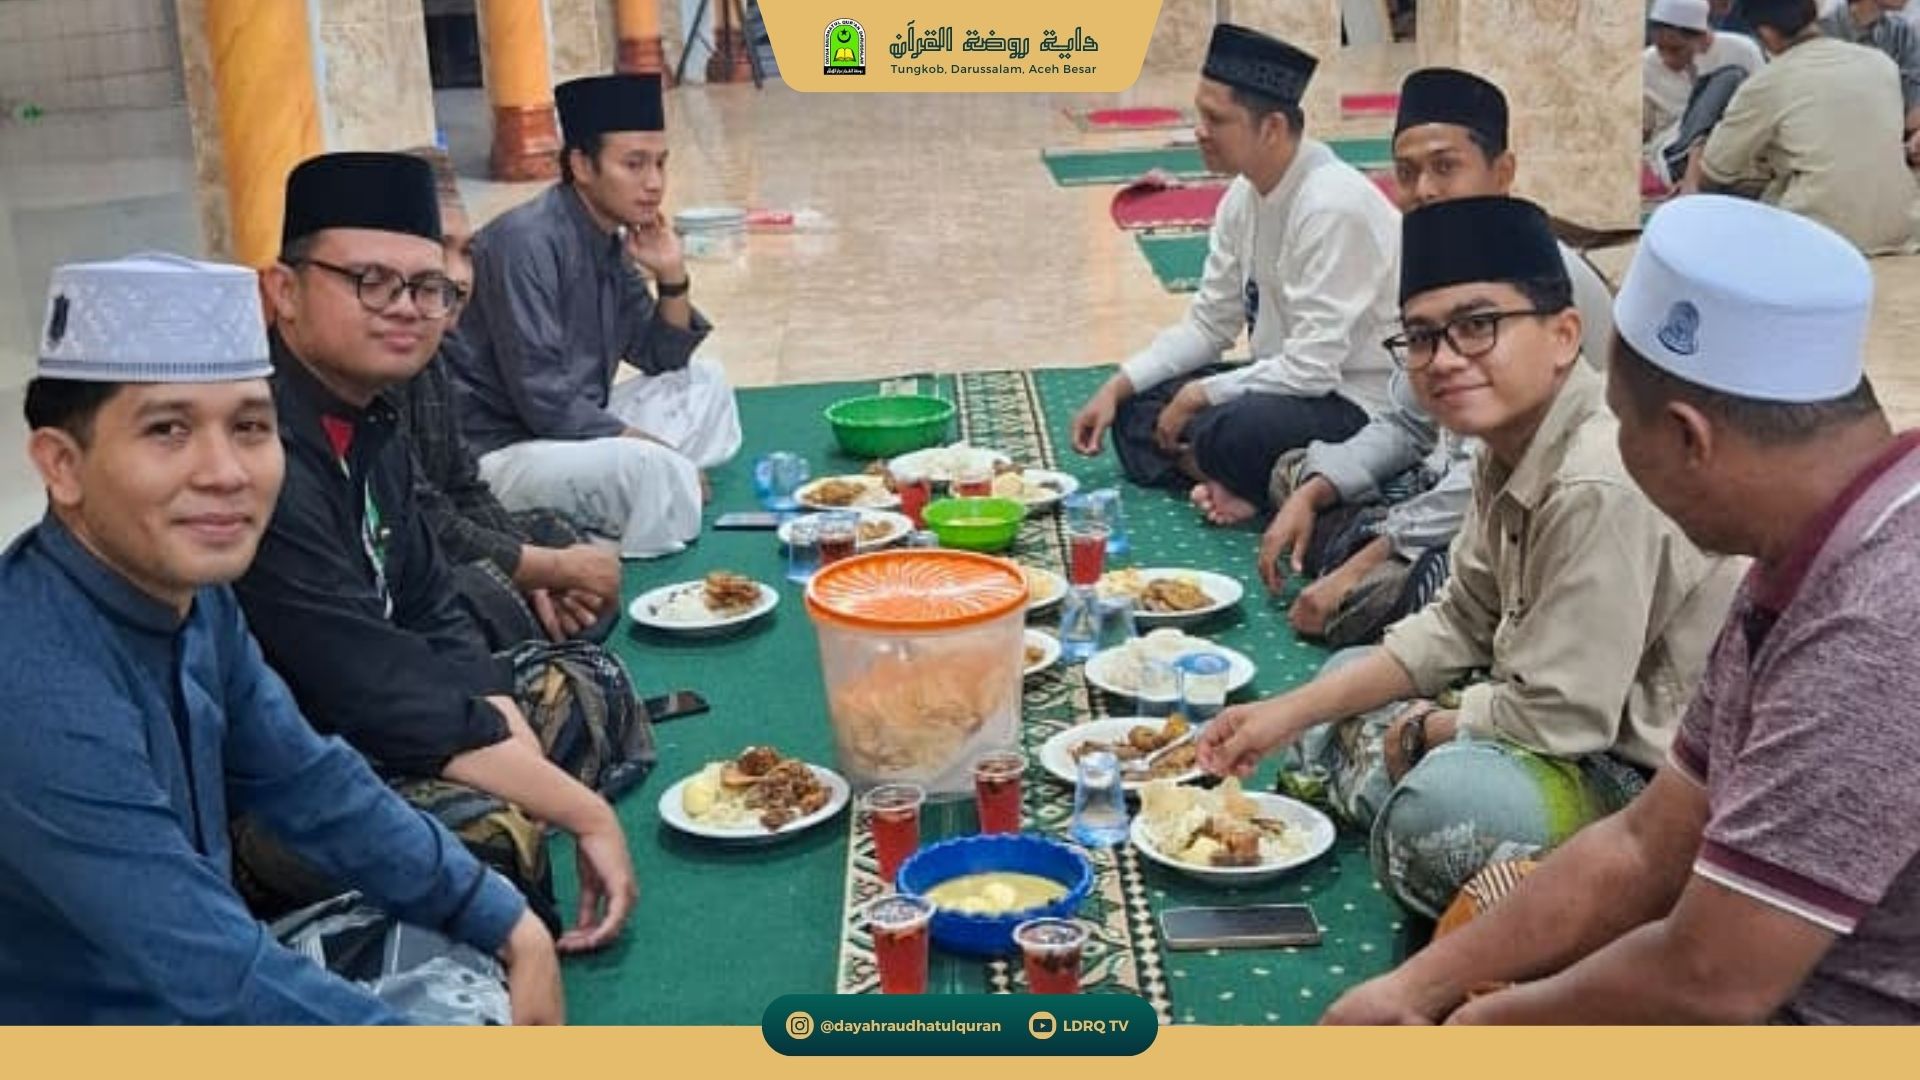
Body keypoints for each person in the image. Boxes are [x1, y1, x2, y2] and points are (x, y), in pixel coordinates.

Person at [1324, 195, 1920, 1025]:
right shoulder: (1811, 549)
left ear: (1685, 436)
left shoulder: (1876, 623)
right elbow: (1646, 844)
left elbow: (1711, 980)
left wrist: (1474, 1029)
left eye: (1622, 425)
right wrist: (1412, 991)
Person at [0, 253, 562, 1024]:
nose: (225, 472)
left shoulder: (197, 601)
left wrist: (504, 919)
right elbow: (211, 973)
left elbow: (313, 783)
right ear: (62, 465)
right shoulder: (31, 683)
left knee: (464, 919)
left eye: (250, 427)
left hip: (200, 980)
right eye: (167, 430)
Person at [1197, 196, 1742, 918]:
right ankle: (1383, 772)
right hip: (1539, 711)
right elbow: (1456, 623)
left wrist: (1421, 730)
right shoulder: (1504, 446)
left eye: (1478, 326)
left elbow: (1562, 719)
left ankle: (1412, 797)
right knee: (1340, 680)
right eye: (1422, 337)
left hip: (1647, 780)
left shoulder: (1598, 476)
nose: (1446, 359)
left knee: (1442, 821)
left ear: (1564, 334)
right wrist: (1284, 713)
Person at [235, 152, 641, 949]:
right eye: (371, 282)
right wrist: (576, 807)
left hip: (387, 714)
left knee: (588, 686)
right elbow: (365, 684)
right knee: (489, 836)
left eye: (428, 287)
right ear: (282, 291)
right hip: (283, 776)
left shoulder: (368, 414)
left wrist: (505, 729)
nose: (408, 309)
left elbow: (431, 608)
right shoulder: (254, 450)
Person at [1259, 67, 1618, 649]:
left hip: (1541, 507)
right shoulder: (1431, 262)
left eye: (1445, 167)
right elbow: (1407, 422)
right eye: (1407, 173)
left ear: (1502, 172)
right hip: (1446, 481)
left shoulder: (1544, 278)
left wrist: (1368, 558)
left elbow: (1491, 468)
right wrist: (1312, 491)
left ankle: (1392, 573)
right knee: (1295, 471)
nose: (1423, 190)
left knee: (1383, 589)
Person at [1069, 23, 1400, 528]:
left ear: (1271, 128)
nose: (1199, 131)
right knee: (1138, 407)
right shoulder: (1243, 197)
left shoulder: (1332, 205)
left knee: (1232, 428)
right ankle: (1244, 480)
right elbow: (1209, 325)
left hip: (1356, 402)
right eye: (1199, 115)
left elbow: (1314, 370)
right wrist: (1117, 386)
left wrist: (1199, 396)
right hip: (1285, 386)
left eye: (1216, 119)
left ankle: (1245, 475)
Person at [445, 73, 737, 559]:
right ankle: (611, 529)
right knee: (653, 470)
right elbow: (545, 401)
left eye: (660, 163)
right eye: (634, 164)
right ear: (582, 164)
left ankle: (611, 507)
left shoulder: (609, 237)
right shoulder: (525, 243)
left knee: (706, 382)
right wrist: (658, 450)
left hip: (571, 432)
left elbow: (661, 357)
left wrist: (670, 273)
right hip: (503, 451)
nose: (654, 183)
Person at [396, 146, 621, 649]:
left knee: (558, 535)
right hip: (410, 559)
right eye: (441, 250)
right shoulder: (527, 244)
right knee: (485, 596)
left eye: (467, 252)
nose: (459, 275)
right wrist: (543, 569)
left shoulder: (428, 354)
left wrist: (537, 569)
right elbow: (422, 518)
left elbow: (462, 485)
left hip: (477, 502)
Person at [1685, 0, 1919, 255]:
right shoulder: (1881, 63)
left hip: (1822, 237)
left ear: (1766, 33)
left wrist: (1697, 152)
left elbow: (1714, 173)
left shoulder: (1768, 81)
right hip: (1902, 230)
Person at [1643, 0, 1766, 188]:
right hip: (1675, 153)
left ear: (1701, 38)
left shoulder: (1742, 51)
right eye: (1661, 48)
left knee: (1730, 78)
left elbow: (1763, 107)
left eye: (1676, 49)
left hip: (1730, 148)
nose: (1666, 58)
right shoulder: (1646, 64)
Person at [1819, 0, 1920, 161]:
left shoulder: (1901, 31)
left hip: (1887, 153)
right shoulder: (1822, 32)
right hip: (1833, 152)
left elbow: (1913, 116)